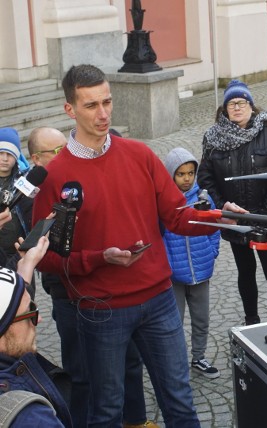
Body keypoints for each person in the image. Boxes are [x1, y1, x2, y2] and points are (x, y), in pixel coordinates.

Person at [31, 64, 241, 427]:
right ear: (70, 109)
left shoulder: (140, 155)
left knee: (180, 402)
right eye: (91, 105)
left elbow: (176, 216)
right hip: (100, 310)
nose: (103, 113)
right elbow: (43, 257)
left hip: (159, 300)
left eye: (107, 102)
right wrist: (98, 259)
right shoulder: (55, 176)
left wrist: (220, 216)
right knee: (107, 411)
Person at [27, 126, 158, 428]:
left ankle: (135, 420)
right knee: (81, 373)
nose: (68, 154)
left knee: (129, 361)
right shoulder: (31, 199)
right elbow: (40, 256)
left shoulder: (79, 180)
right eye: (58, 151)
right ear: (36, 160)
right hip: (66, 296)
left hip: (108, 289)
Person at [198, 79, 267, 325]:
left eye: (241, 102)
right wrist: (224, 207)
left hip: (266, 217)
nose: (237, 108)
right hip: (235, 220)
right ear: (225, 109)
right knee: (246, 272)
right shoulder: (214, 137)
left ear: (251, 105)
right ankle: (251, 319)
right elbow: (205, 178)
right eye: (231, 104)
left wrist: (265, 208)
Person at [0, 233, 72, 427]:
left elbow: (9, 304)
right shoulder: (30, 418)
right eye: (29, 312)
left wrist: (26, 265)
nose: (38, 318)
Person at [163, 147, 221, 378]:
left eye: (190, 173)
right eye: (180, 174)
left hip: (201, 270)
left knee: (201, 318)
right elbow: (159, 235)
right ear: (170, 174)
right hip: (173, 275)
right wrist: (166, 264)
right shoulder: (164, 201)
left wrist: (212, 251)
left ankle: (199, 357)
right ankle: (175, 364)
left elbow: (214, 226)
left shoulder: (203, 198)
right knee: (174, 323)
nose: (187, 178)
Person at [0, 127, 33, 262]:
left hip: (21, 250)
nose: (5, 159)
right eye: (1, 153)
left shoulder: (26, 179)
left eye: (10, 154)